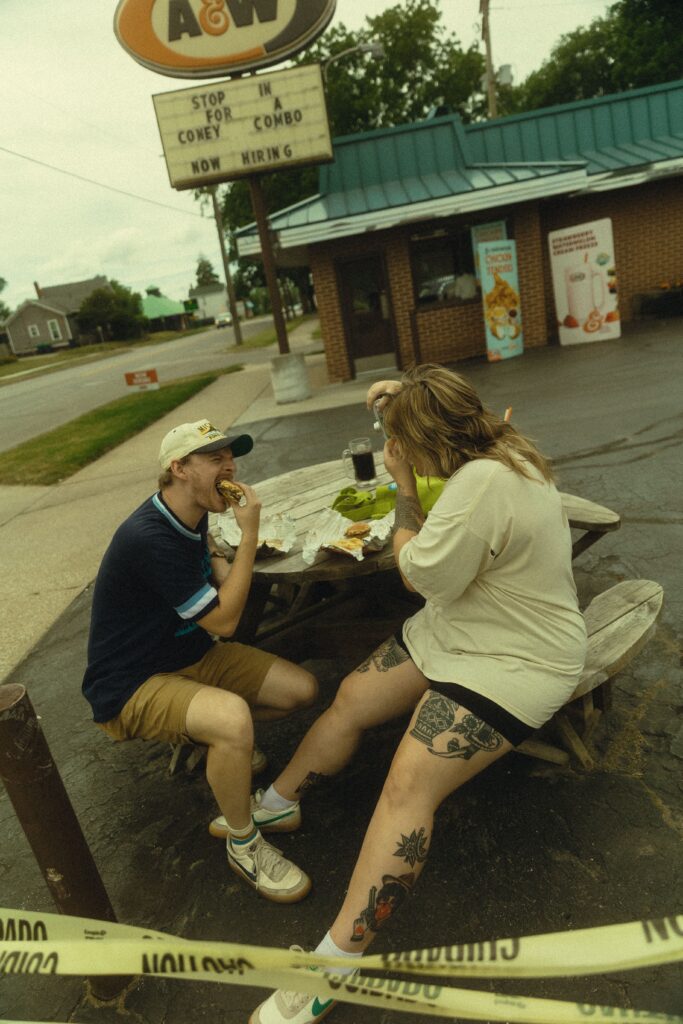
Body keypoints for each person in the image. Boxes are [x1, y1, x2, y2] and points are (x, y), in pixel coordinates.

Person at [242, 365, 587, 1023]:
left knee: (405, 788)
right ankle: (276, 805)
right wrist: (393, 401)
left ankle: (334, 966)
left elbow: (418, 570)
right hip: (462, 626)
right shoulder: (496, 446)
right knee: (351, 698)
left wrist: (401, 489)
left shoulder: (481, 481)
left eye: (399, 439)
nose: (395, 448)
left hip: (517, 658)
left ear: (424, 440)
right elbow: (449, 512)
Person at [82, 419, 318, 904]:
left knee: (301, 690)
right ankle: (243, 841)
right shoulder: (148, 537)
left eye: (230, 456)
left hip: (190, 656)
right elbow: (227, 622)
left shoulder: (193, 513)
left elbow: (210, 561)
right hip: (131, 683)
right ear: (179, 469)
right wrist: (249, 535)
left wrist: (221, 556)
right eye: (214, 458)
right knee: (231, 719)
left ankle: (219, 747)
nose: (229, 467)